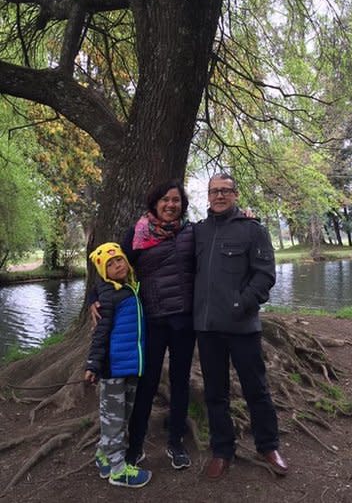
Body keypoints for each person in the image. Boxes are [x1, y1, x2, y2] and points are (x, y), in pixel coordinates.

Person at [91, 180, 196, 470]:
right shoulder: (137, 234)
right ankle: (134, 446)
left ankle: (176, 442)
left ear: (182, 205)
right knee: (147, 384)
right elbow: (110, 266)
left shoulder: (191, 233)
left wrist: (248, 218)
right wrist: (93, 298)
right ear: (154, 203)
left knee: (180, 382)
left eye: (176, 200)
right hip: (151, 321)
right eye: (165, 199)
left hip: (185, 322)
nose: (171, 205)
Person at [193, 173, 288, 480]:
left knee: (256, 389)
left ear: (235, 194)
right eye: (214, 191)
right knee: (215, 393)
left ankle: (268, 445)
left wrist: (241, 304)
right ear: (207, 196)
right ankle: (222, 451)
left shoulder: (253, 230)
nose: (219, 196)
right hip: (207, 329)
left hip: (242, 326)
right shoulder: (197, 232)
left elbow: (265, 275)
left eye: (225, 191)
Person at [85, 242, 152, 489]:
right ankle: (118, 470)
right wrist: (93, 363)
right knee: (113, 419)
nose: (117, 266)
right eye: (110, 265)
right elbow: (101, 332)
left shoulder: (130, 288)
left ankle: (104, 453)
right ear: (104, 272)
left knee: (123, 416)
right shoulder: (109, 296)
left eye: (119, 260)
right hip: (113, 369)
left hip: (133, 367)